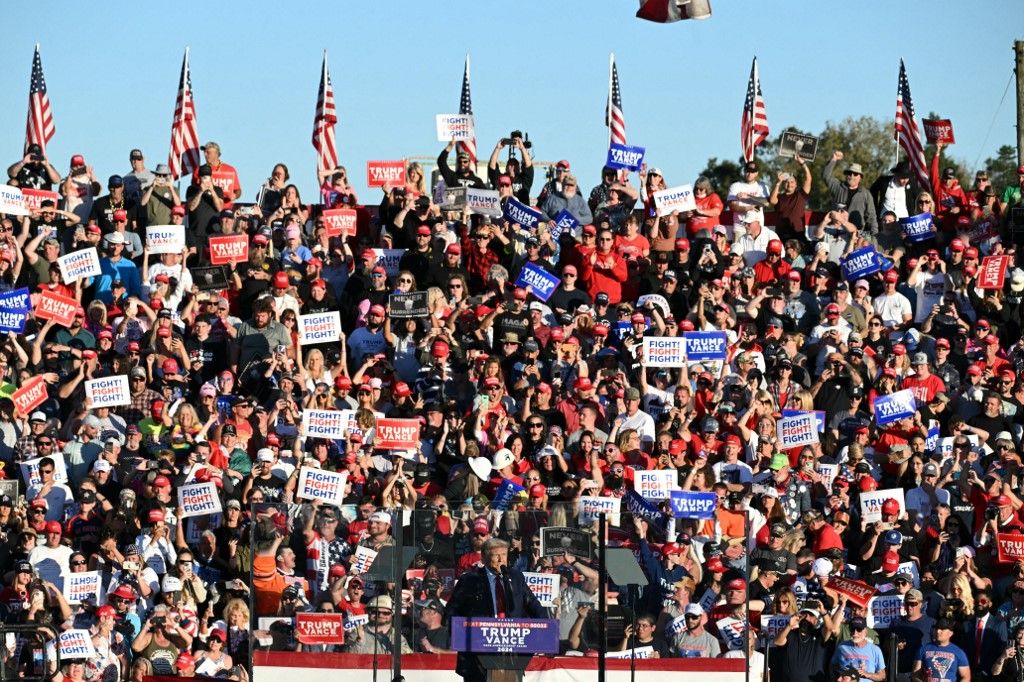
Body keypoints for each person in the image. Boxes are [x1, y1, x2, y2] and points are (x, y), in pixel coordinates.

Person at [447, 538, 547, 682]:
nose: (501, 559)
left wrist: (544, 632)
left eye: (504, 555)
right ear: (484, 557)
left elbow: (535, 607)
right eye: (496, 555)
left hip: (512, 654)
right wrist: (462, 636)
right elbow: (452, 612)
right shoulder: (469, 580)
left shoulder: (516, 577)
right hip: (478, 654)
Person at [822, 151, 878, 233]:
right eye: (849, 173)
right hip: (836, 230)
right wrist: (834, 159)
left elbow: (871, 216)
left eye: (855, 174)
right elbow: (825, 175)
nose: (852, 176)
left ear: (860, 177)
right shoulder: (838, 187)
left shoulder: (866, 194)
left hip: (855, 233)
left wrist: (875, 236)